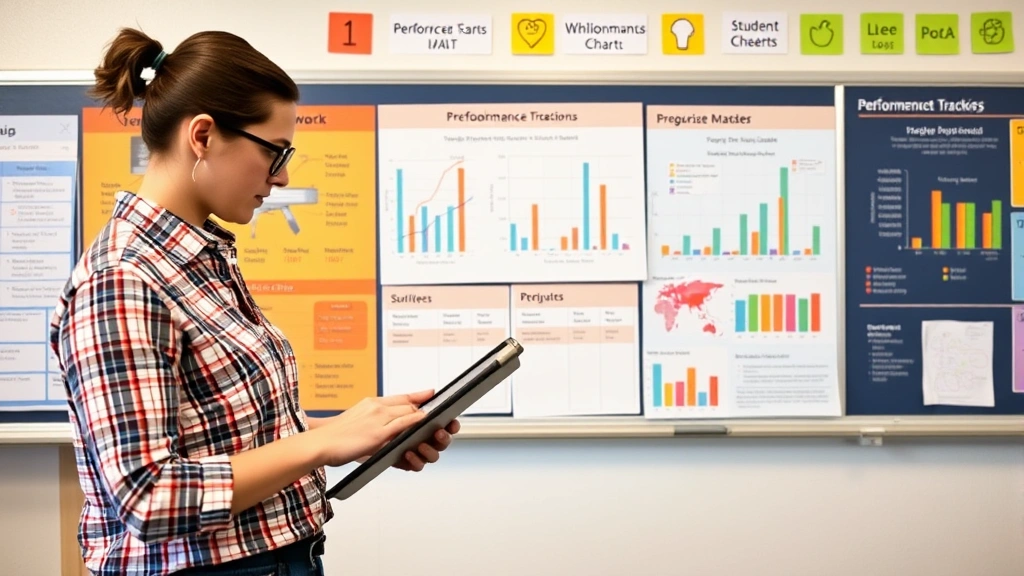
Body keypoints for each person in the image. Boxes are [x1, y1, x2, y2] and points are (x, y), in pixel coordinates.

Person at [48, 27, 460, 576]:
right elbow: (150, 497)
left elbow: (227, 439)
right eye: (275, 152)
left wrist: (361, 433)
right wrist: (323, 445)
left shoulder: (195, 259)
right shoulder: (122, 280)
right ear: (203, 136)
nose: (285, 176)